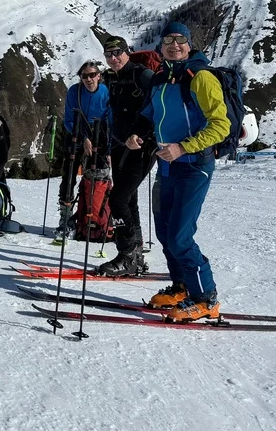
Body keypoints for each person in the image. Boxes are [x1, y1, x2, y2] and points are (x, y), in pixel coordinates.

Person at [125, 21, 229, 321]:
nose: (174, 45)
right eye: (168, 40)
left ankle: (206, 298)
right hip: (167, 167)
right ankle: (182, 287)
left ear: (189, 44)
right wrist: (137, 133)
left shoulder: (201, 77)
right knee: (165, 232)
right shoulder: (161, 78)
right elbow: (150, 114)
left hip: (194, 166)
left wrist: (184, 147)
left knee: (181, 236)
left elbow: (221, 125)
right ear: (160, 46)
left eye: (180, 40)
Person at [96, 36, 157, 276]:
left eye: (117, 53)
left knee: (117, 199)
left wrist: (141, 135)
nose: (113, 58)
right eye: (108, 54)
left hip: (142, 146)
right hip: (120, 145)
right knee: (128, 199)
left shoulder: (142, 75)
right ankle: (136, 253)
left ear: (127, 52)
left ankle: (127, 254)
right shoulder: (112, 78)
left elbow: (158, 105)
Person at [55, 60, 111, 243]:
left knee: (98, 178)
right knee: (69, 175)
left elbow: (110, 120)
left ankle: (96, 217)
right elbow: (69, 120)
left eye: (92, 75)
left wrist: (108, 149)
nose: (89, 79)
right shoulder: (75, 91)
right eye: (84, 76)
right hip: (76, 135)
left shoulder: (106, 92)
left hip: (100, 136)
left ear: (99, 76)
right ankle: (66, 218)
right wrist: (83, 138)